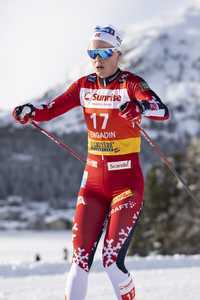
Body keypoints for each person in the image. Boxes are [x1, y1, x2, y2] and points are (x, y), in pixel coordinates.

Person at [12, 25, 169, 300]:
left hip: (126, 187)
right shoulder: (83, 85)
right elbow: (51, 109)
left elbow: (162, 110)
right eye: (92, 52)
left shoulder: (131, 84)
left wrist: (139, 107)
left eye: (105, 52)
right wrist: (30, 111)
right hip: (93, 186)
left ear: (117, 53)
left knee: (111, 263)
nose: (98, 58)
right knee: (79, 261)